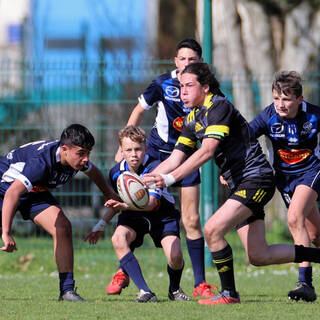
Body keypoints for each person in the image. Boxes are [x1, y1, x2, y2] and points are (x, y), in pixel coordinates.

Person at [143, 62, 320, 305]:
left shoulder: (219, 106)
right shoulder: (193, 117)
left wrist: (169, 179)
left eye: (188, 86)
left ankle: (229, 294)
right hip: (241, 183)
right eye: (181, 86)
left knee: (212, 229)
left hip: (256, 178)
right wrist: (144, 180)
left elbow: (206, 151)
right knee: (258, 255)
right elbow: (176, 157)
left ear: (205, 87)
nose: (182, 91)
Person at [110, 38, 215, 298]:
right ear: (175, 61)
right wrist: (124, 145)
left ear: (200, 62)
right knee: (136, 206)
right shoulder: (162, 83)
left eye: (192, 59)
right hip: (156, 155)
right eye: (183, 59)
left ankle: (199, 283)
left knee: (191, 219)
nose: (187, 63)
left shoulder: (207, 89)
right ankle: (125, 269)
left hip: (188, 158)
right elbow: (138, 110)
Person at [0, 124, 118, 302]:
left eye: (88, 153)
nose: (86, 159)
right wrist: (6, 233)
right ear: (64, 149)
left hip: (33, 191)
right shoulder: (41, 163)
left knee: (62, 226)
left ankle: (67, 291)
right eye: (81, 153)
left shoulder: (75, 158)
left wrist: (109, 193)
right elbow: (12, 194)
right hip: (5, 187)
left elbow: (93, 172)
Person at [85, 126, 191, 302]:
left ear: (146, 149)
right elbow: (116, 202)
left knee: (175, 257)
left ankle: (174, 290)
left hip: (161, 214)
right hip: (133, 215)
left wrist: (124, 206)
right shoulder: (116, 172)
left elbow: (151, 204)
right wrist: (100, 224)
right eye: (128, 150)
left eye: (138, 149)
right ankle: (145, 291)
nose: (134, 154)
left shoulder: (156, 167)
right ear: (121, 151)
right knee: (118, 238)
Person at [249, 70, 320, 302]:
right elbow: (244, 137)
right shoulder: (268, 116)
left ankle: (305, 283)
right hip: (285, 177)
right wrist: (233, 166)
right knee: (315, 235)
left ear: (300, 99)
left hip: (311, 171)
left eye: (287, 99)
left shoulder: (314, 116)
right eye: (276, 98)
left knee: (293, 217)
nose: (280, 104)